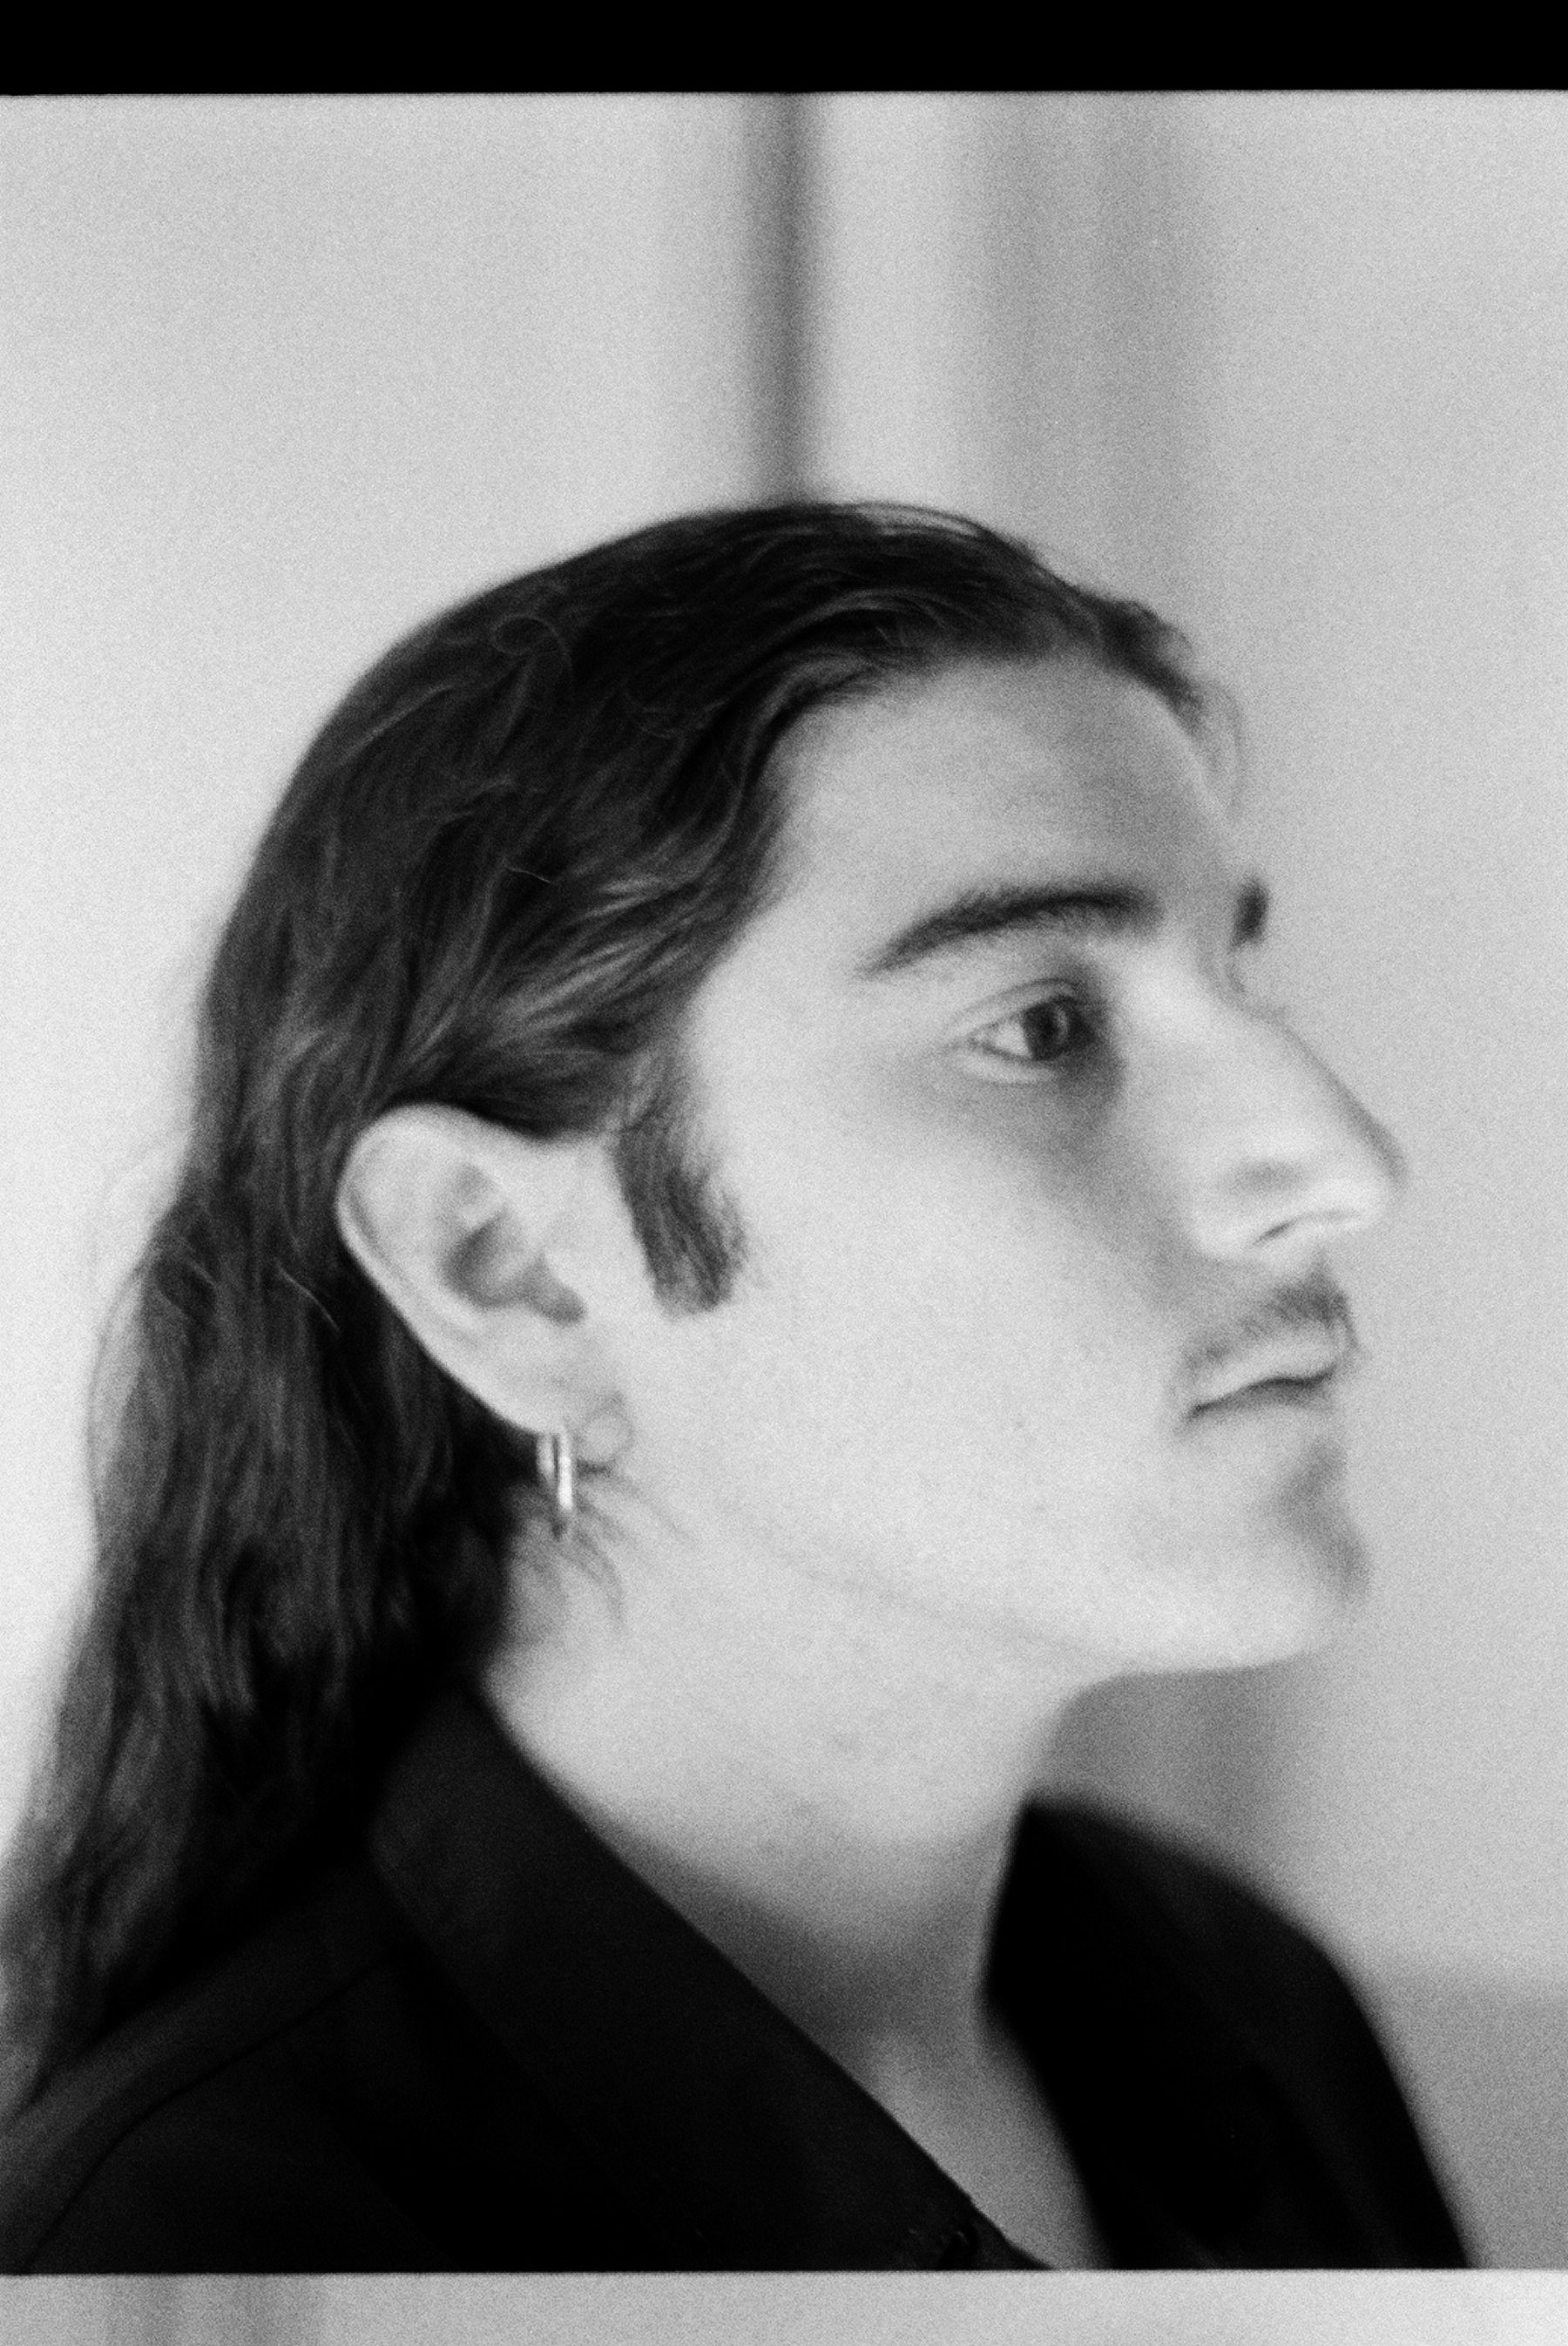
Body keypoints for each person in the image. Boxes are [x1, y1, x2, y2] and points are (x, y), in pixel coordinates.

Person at [0, 504, 1465, 2273]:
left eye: (1240, 974)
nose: (1342, 1160)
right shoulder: (205, 2256)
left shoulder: (1247, 2013)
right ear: (510, 1269)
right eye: (1041, 1027)